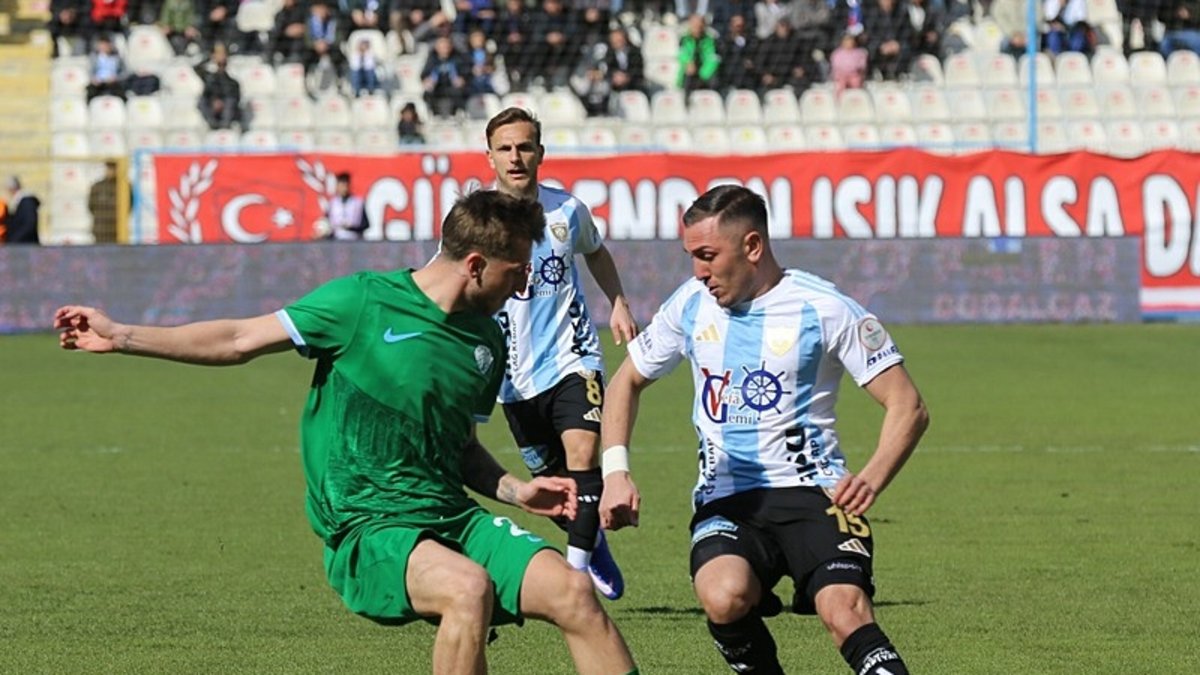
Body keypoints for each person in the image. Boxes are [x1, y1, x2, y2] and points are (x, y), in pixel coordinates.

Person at [54, 190, 639, 675]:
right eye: (517, 270)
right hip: (368, 525)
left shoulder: (487, 340)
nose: (525, 284)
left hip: (451, 517)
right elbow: (238, 339)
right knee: (467, 589)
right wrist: (122, 336)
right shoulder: (360, 302)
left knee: (573, 593)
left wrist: (516, 490)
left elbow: (461, 448)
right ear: (475, 264)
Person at [599, 185, 929, 674]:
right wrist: (615, 472)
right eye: (692, 257)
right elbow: (625, 381)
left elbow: (907, 404)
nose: (698, 272)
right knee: (722, 595)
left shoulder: (825, 308)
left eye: (708, 255)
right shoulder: (690, 305)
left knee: (844, 611)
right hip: (728, 499)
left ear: (752, 246)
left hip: (817, 494)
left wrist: (873, 477)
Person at [485, 108, 639, 600]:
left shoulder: (567, 211)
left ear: (540, 153)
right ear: (490, 157)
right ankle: (591, 543)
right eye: (505, 148)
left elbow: (595, 251)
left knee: (583, 454)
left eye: (524, 147)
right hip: (512, 375)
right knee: (554, 486)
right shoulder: (475, 220)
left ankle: (575, 579)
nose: (515, 157)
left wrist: (618, 302)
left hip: (574, 357)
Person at [325, 172, 367, 240]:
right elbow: (327, 222)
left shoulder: (358, 202)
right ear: (337, 186)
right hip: (336, 239)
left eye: (346, 185)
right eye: (342, 185)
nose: (344, 188)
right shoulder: (332, 203)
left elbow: (365, 224)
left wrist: (351, 228)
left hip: (354, 238)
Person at [88, 161, 120, 244]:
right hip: (101, 228)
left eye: (113, 169)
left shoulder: (123, 186)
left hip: (117, 228)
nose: (111, 171)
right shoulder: (97, 186)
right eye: (109, 168)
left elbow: (129, 206)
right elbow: (91, 206)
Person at [3, 176, 41, 245]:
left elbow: (29, 225)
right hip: (22, 245)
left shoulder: (27, 202)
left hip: (26, 246)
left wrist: (13, 240)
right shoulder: (21, 202)